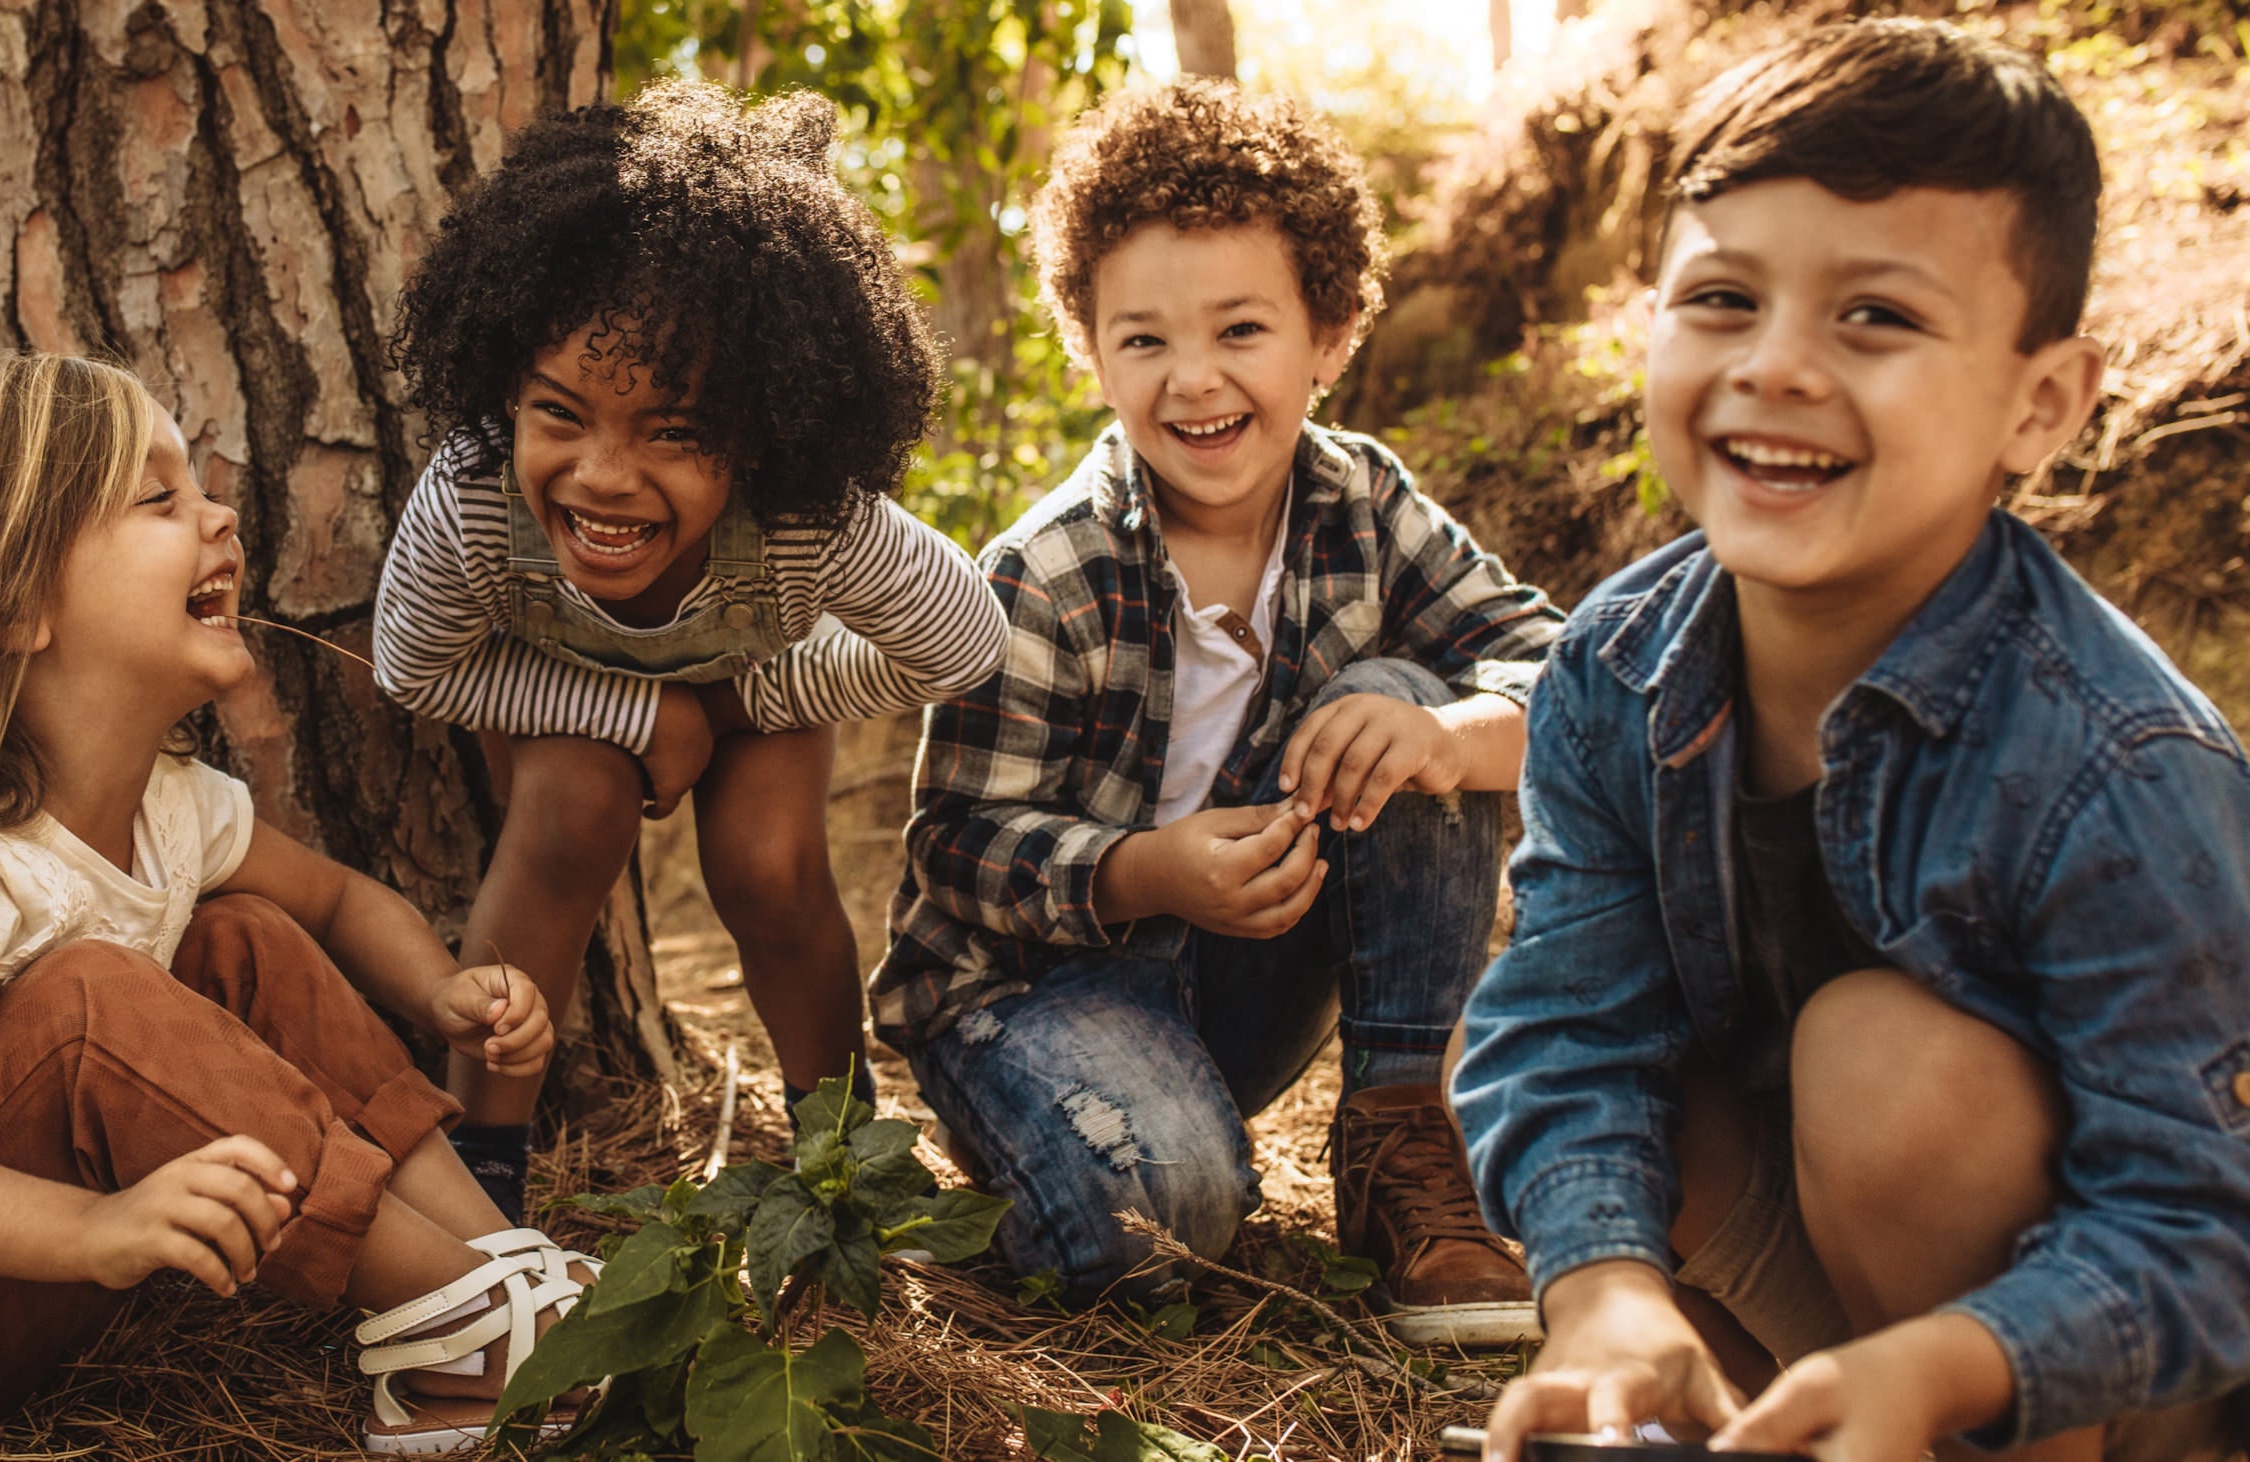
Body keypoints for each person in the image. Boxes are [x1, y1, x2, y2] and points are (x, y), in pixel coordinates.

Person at [1455, 19, 2250, 1461]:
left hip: (2106, 1352)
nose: (1777, 367)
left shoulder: (2117, 760)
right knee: (1620, 1073)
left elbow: (2200, 1222)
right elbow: (1565, 1025)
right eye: (1721, 298)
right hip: (1838, 1278)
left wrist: (1949, 1366)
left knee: (1886, 1066)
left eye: (1873, 316)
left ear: (2042, 403)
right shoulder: (1615, 669)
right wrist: (1604, 1287)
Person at [0, 355, 600, 1453]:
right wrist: (95, 1229)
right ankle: (480, 1329)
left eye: (196, 489)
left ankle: (492, 1266)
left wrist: (437, 988)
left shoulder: (174, 804)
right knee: (93, 996)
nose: (219, 516)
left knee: (240, 936)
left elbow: (337, 903)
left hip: (13, 1265)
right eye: (159, 499)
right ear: (15, 603)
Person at [871, 78, 1563, 1341]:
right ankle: (1073, 1163)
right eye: (1143, 340)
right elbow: (955, 846)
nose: (1193, 382)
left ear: (1331, 333)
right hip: (1033, 998)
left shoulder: (1364, 503)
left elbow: (1566, 673)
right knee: (1162, 1220)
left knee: (1400, 704)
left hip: (1245, 977)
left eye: (1240, 329)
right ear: (1090, 350)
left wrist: (1449, 736)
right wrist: (1143, 872)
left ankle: (1400, 1134)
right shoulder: (1046, 571)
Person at [374, 80, 1006, 1219]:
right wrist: (634, 714)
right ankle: (480, 1187)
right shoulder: (472, 497)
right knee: (569, 810)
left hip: (755, 686)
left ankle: (842, 1158)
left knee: (766, 865)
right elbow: (413, 667)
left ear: (761, 436)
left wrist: (744, 698)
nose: (603, 475)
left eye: (673, 432)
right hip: (561, 696)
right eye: (558, 412)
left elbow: (958, 641)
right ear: (505, 388)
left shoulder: (808, 518)